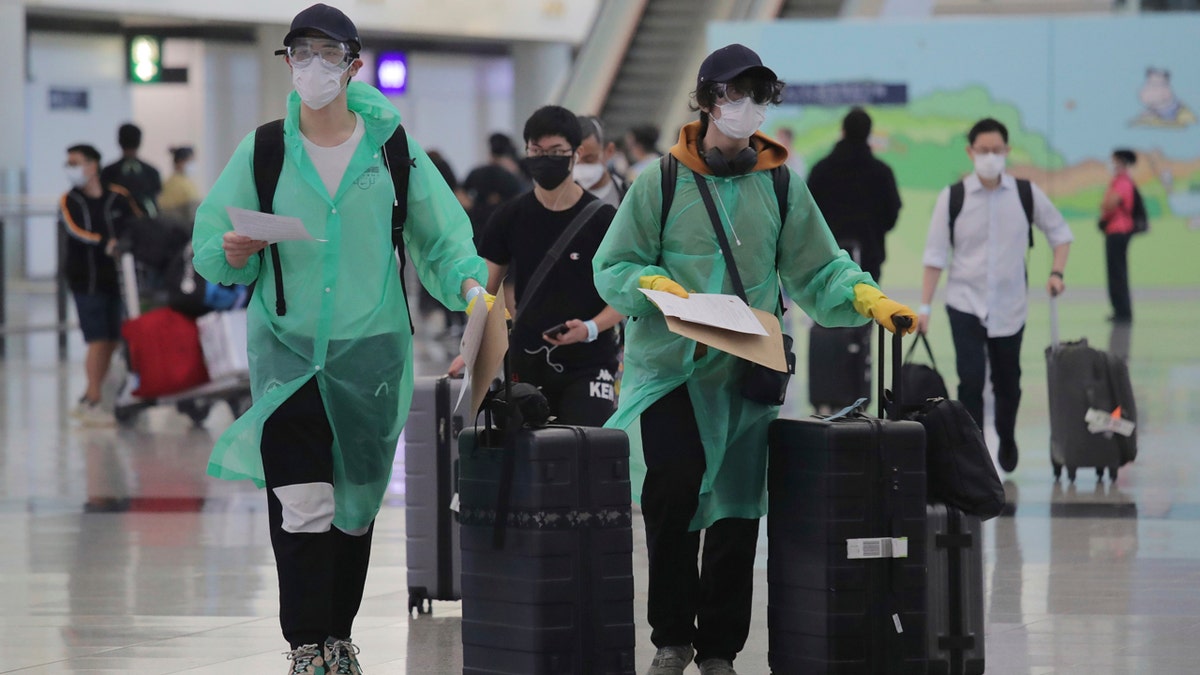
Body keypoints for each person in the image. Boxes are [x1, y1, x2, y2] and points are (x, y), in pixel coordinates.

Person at [592, 43, 916, 675]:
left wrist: (865, 296)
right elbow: (614, 265)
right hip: (672, 373)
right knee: (673, 492)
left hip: (747, 372)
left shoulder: (780, 184)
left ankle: (718, 650)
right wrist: (655, 286)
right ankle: (670, 638)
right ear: (711, 99)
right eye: (739, 94)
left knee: (739, 512)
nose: (751, 107)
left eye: (761, 95)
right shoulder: (661, 181)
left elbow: (818, 266)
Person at [189, 4, 488, 673]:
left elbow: (442, 240)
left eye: (328, 54)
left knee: (353, 506)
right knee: (301, 502)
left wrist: (472, 289)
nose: (313, 67)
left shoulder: (392, 151)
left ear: (355, 65)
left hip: (370, 358)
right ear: (287, 63)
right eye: (300, 53)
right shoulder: (264, 149)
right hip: (287, 356)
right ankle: (306, 644)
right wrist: (232, 250)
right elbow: (210, 243)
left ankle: (338, 633)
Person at [917, 117, 1073, 474]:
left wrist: (1056, 273)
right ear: (971, 153)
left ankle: (1007, 434)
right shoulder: (953, 198)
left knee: (1008, 383)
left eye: (997, 150)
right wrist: (924, 307)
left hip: (1009, 306)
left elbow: (1060, 234)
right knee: (970, 380)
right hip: (964, 303)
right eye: (983, 151)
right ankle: (976, 451)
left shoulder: (1025, 194)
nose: (990, 157)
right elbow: (935, 256)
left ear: (1007, 152)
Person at [470, 105, 624, 426]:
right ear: (526, 151)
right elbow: (485, 289)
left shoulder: (603, 219)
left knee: (585, 446)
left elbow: (624, 296)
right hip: (526, 361)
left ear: (575, 154)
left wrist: (590, 328)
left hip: (590, 361)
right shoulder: (510, 217)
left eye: (556, 151)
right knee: (531, 463)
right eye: (537, 151)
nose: (545, 159)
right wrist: (471, 350)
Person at [58, 144, 139, 427]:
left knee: (113, 339)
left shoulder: (118, 196)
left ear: (93, 165)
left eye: (75, 162)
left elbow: (136, 223)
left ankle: (93, 394)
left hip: (116, 280)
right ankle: (93, 400)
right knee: (97, 340)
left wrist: (128, 243)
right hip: (85, 280)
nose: (71, 168)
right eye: (68, 163)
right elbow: (76, 231)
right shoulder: (69, 201)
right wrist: (108, 244)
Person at [806, 107, 902, 283]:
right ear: (868, 134)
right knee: (867, 306)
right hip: (870, 255)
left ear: (843, 132)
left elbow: (808, 213)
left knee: (830, 307)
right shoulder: (881, 172)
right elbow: (892, 214)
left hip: (828, 258)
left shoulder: (821, 170)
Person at [462, 132, 526, 246]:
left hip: (480, 228)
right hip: (503, 228)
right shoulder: (516, 175)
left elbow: (461, 194)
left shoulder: (478, 173)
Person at [1100, 148, 1138, 323]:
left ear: (1121, 162)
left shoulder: (1122, 182)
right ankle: (1119, 309)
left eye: (1114, 160)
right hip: (1114, 230)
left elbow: (1109, 204)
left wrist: (1104, 207)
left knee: (1117, 272)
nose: (1111, 164)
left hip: (1119, 231)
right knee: (1116, 271)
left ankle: (1123, 311)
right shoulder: (1118, 181)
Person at [101, 123, 162, 217]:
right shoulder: (152, 172)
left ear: (119, 141)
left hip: (119, 225)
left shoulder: (108, 172)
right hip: (147, 224)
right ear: (140, 142)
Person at [575, 115, 628, 208]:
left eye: (589, 159)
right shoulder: (557, 200)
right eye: (574, 161)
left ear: (609, 151)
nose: (580, 167)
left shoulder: (629, 195)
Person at [158, 146, 201, 222]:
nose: (193, 164)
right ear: (181, 162)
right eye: (191, 161)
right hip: (183, 228)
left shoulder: (168, 182)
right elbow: (194, 212)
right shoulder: (184, 185)